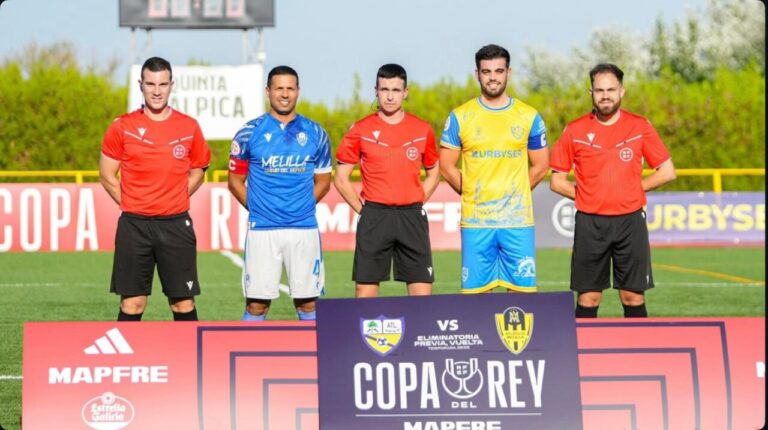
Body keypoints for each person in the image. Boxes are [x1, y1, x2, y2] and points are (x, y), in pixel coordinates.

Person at [550, 63, 676, 318]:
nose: (605, 95)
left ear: (622, 91)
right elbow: (557, 181)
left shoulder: (639, 126)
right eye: (599, 90)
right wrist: (590, 195)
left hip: (630, 221)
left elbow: (667, 171)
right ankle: (583, 355)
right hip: (590, 222)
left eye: (610, 89)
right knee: (588, 296)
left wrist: (632, 190)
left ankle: (637, 355)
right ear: (591, 93)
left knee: (632, 295)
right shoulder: (574, 130)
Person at [100, 56, 211, 321]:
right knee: (133, 303)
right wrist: (132, 203)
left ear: (172, 85)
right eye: (150, 84)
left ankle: (190, 362)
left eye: (162, 84)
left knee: (182, 303)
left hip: (175, 225)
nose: (157, 90)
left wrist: (176, 197)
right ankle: (126, 362)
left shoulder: (189, 126)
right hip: (134, 226)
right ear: (141, 85)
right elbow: (106, 175)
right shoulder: (122, 127)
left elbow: (198, 171)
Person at [439, 44, 550, 294]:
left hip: (517, 222)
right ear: (477, 74)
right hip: (477, 223)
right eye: (486, 71)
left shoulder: (529, 116)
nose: (493, 77)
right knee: (477, 302)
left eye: (498, 71)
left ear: (508, 73)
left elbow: (542, 165)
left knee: (521, 300)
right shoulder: (460, 116)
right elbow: (446, 166)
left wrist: (517, 190)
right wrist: (471, 193)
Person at [228, 65, 332, 321]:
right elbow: (235, 182)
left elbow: (324, 182)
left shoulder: (316, 133)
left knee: (308, 304)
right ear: (268, 91)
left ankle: (315, 360)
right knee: (257, 305)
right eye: (279, 88)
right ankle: (249, 361)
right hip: (263, 229)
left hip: (303, 228)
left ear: (298, 91)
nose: (284, 94)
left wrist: (302, 206)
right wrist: (258, 209)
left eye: (290, 88)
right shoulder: (248, 133)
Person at [334, 63, 440, 298]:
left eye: (395, 90)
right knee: (365, 290)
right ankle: (362, 335)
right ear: (376, 91)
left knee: (422, 292)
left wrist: (418, 200)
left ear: (405, 92)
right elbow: (340, 179)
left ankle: (419, 334)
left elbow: (435, 172)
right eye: (384, 90)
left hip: (411, 216)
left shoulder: (422, 129)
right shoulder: (360, 129)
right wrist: (363, 210)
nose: (390, 96)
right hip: (374, 216)